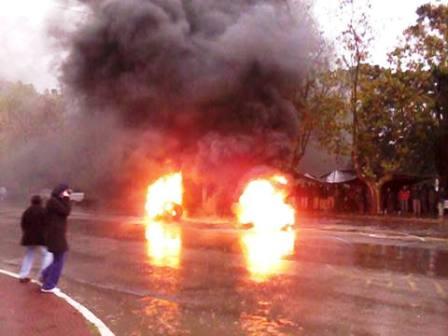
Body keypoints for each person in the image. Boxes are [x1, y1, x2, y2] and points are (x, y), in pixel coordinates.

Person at [41, 184, 72, 293]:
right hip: (55, 235)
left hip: (55, 234)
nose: (67, 193)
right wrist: (67, 198)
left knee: (57, 259)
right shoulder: (53, 202)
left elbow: (65, 211)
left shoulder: (54, 201)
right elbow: (66, 211)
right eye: (65, 191)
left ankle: (45, 276)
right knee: (59, 260)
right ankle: (49, 285)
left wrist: (65, 198)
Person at [18, 195, 52, 283]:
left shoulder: (27, 211)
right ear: (41, 201)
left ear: (31, 201)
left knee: (29, 255)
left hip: (29, 237)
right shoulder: (44, 211)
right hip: (41, 237)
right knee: (48, 254)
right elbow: (48, 224)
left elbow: (23, 224)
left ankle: (23, 275)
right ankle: (43, 275)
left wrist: (26, 232)